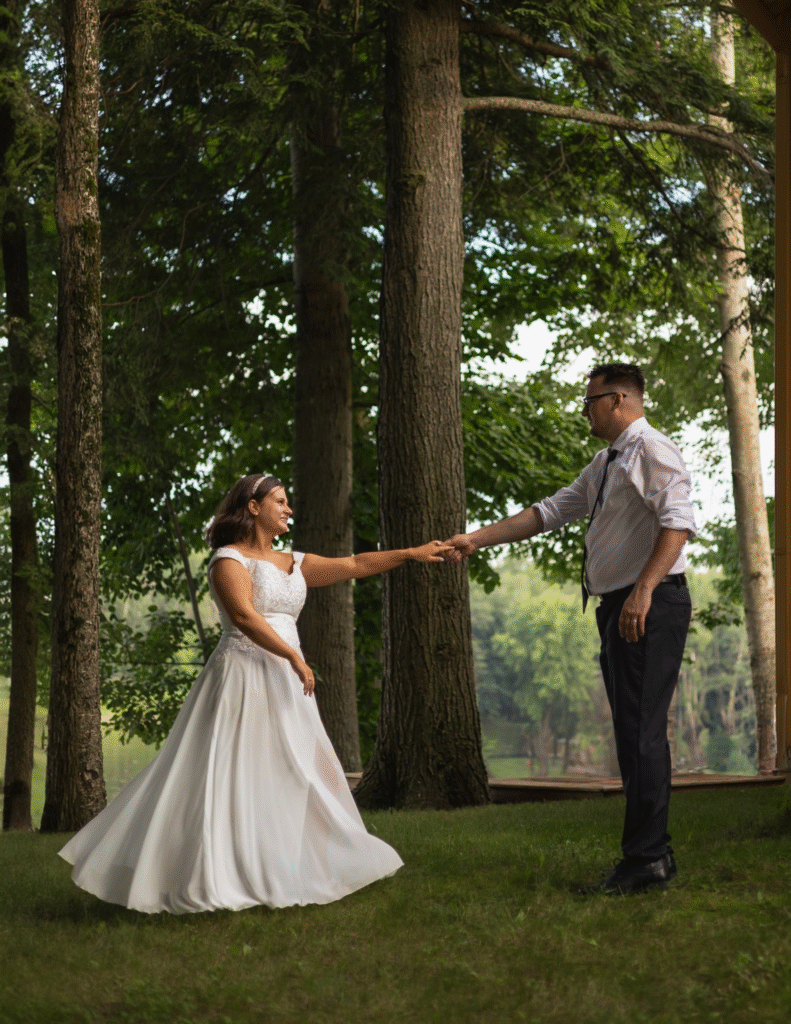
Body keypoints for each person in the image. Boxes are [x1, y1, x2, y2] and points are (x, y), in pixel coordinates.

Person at [60, 474, 452, 914]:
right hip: (243, 677)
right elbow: (245, 617)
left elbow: (356, 564)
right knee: (229, 771)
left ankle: (299, 864)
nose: (289, 510)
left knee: (304, 769)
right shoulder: (228, 560)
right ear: (253, 506)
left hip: (287, 682)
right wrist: (294, 657)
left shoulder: (295, 562)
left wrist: (412, 554)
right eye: (280, 501)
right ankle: (209, 871)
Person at [446, 363, 696, 894]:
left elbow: (678, 523)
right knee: (633, 733)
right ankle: (654, 855)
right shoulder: (608, 461)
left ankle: (646, 860)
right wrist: (476, 539)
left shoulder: (651, 449)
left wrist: (644, 591)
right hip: (621, 607)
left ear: (620, 400)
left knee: (642, 734)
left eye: (590, 400)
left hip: (648, 604)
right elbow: (550, 511)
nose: (584, 410)